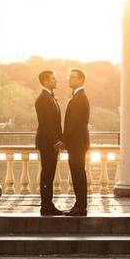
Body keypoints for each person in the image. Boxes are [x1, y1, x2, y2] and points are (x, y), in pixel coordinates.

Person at [34, 69, 63, 216]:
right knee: (47, 174)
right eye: (53, 78)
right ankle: (46, 206)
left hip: (50, 142)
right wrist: (56, 141)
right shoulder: (43, 99)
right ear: (45, 81)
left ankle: (47, 204)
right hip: (47, 143)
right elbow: (46, 123)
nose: (56, 80)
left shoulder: (50, 97)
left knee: (49, 174)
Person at [62, 68, 90, 216]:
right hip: (77, 143)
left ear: (80, 80)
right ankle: (79, 205)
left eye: (72, 77)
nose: (69, 79)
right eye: (69, 76)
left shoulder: (80, 98)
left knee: (78, 174)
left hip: (78, 143)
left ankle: (81, 207)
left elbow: (75, 123)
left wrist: (64, 140)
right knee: (77, 174)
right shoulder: (77, 96)